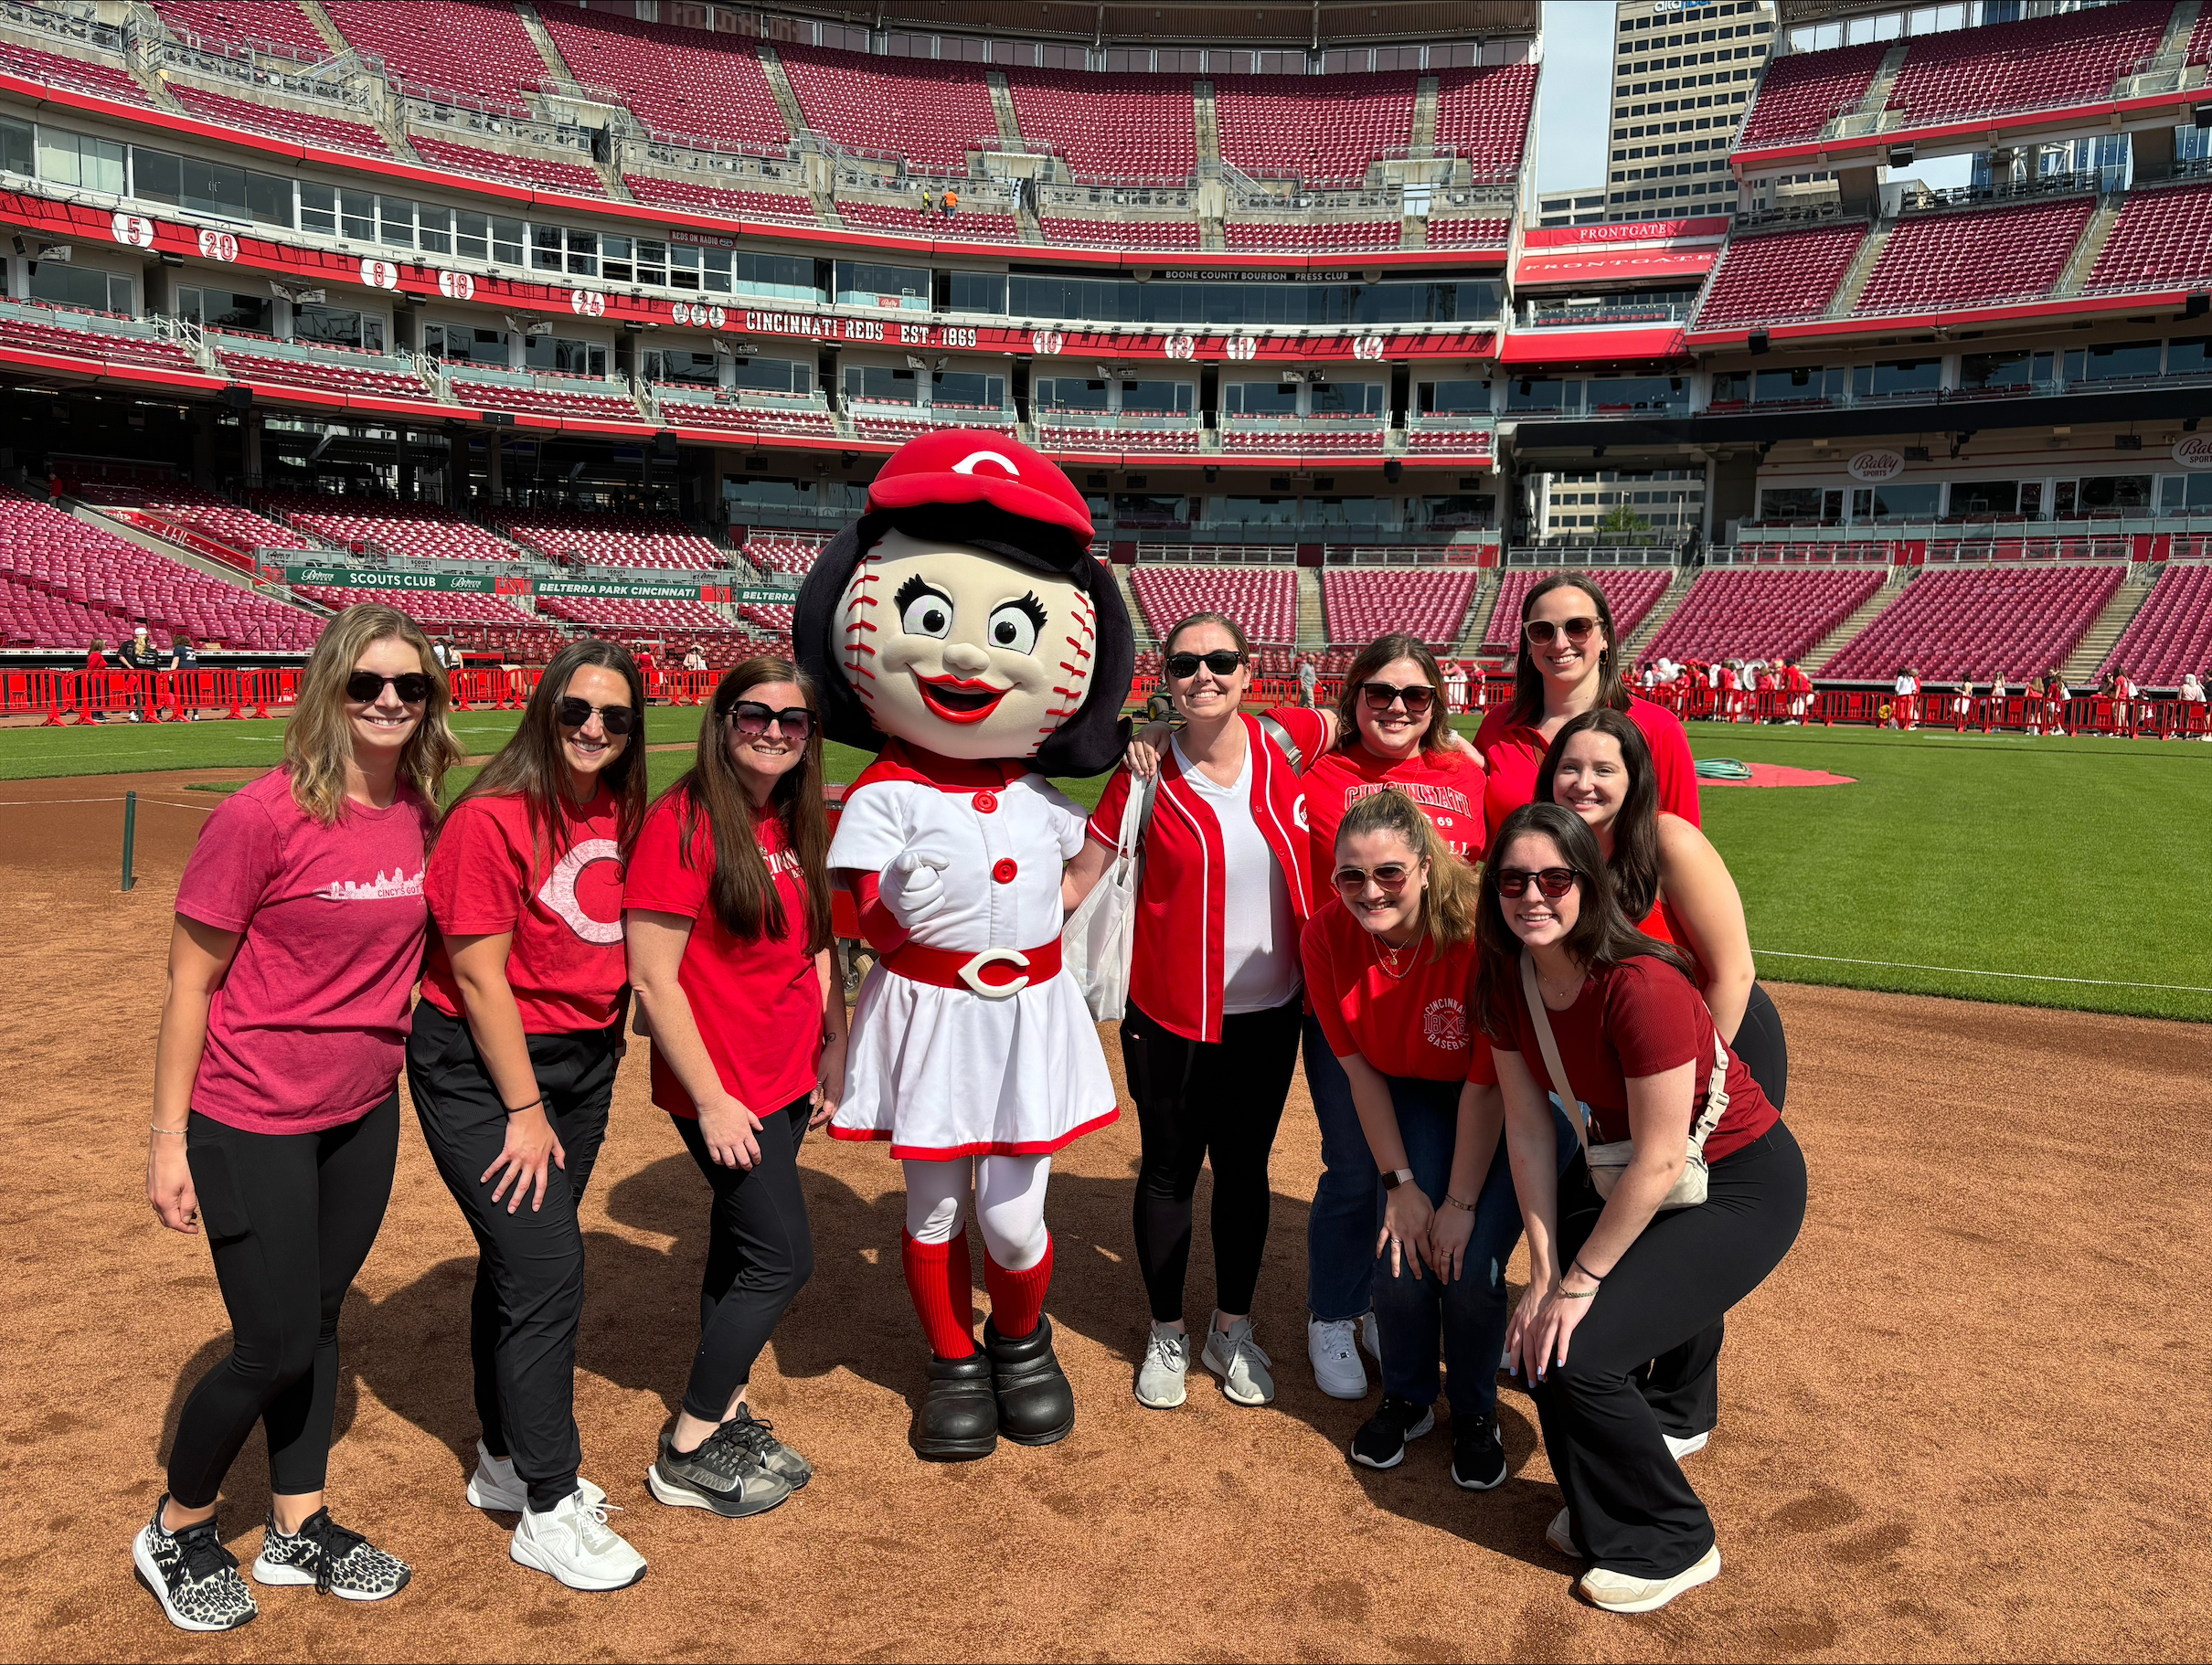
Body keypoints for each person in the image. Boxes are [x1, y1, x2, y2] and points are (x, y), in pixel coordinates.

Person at [792, 429, 1136, 1462]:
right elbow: (854, 908)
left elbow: (1073, 884)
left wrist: (1119, 801)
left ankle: (1020, 1339)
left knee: (1016, 1217)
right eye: (930, 619)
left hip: (1028, 1011)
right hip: (931, 1013)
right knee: (936, 1202)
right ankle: (951, 1356)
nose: (963, 657)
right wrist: (903, 947)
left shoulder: (1038, 797)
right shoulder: (889, 790)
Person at [136, 604, 462, 1631]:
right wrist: (167, 1139)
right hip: (249, 1115)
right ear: (328, 687)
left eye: (410, 687)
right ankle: (178, 1527)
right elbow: (190, 984)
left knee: (319, 1323)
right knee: (270, 1341)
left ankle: (296, 1526)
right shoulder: (261, 815)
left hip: (361, 1111)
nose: (388, 703)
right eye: (366, 683)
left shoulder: (422, 811)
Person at [1479, 801, 1805, 1615]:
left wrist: (1580, 1281)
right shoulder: (1506, 979)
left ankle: (1672, 1540)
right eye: (1514, 879)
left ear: (1588, 886)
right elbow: (1524, 1129)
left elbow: (1663, 1158)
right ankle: (1606, 1512)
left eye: (1555, 878)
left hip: (1736, 1185)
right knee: (1538, 1343)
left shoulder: (1640, 984)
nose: (1533, 895)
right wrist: (1544, 1271)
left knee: (1582, 1350)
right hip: (1641, 1177)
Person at [408, 640, 650, 1591]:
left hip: (584, 1059)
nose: (593, 729)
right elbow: (474, 971)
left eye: (614, 717)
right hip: (484, 1065)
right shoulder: (490, 815)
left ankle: (504, 1461)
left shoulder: (620, 808)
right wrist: (520, 1106)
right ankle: (548, 1504)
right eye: (576, 711)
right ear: (544, 711)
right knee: (550, 1269)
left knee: (521, 1258)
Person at [1068, 612, 1327, 1412]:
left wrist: (1457, 748)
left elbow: (1362, 719)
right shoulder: (1142, 772)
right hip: (1171, 1014)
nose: (1204, 676)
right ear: (1166, 677)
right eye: (1186, 665)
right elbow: (1080, 879)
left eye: (1222, 661)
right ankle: (1167, 1330)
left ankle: (1232, 1327)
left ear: (1250, 672)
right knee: (1171, 1170)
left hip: (1270, 1014)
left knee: (1246, 1172)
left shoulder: (1287, 750)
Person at [1303, 789, 1575, 1480]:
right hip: (1413, 1095)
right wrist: (1399, 1188)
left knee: (1471, 1268)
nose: (1370, 892)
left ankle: (1475, 1407)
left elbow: (1488, 1085)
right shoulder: (1326, 935)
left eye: (1390, 872)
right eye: (1352, 877)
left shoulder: (1478, 931)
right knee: (1401, 1256)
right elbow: (1361, 1074)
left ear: (1425, 867)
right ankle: (1409, 1396)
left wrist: (1455, 1205)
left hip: (1510, 1103)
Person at [626, 657, 845, 1519]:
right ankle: (686, 1448)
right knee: (783, 1258)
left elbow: (817, 938)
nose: (776, 732)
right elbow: (652, 977)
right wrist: (713, 1099)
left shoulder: (791, 817)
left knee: (738, 1244)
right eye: (757, 714)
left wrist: (836, 1040)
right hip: (727, 1086)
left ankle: (728, 1408)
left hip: (787, 1071)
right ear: (724, 721)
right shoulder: (685, 822)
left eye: (794, 722)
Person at [1293, 632, 1484, 1397]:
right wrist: (1153, 736)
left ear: (1436, 703)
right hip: (1349, 996)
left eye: (1414, 695)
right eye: (1379, 693)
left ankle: (1387, 1302)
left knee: (1416, 1171)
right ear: (1355, 699)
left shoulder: (1466, 774)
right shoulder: (1320, 772)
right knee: (1352, 1167)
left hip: (1443, 1006)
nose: (1396, 708)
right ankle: (1332, 1314)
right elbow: (1230, 744)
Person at [1540, 707, 1785, 1108]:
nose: (1583, 784)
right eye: (1570, 767)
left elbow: (1734, 973)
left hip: (1721, 1037)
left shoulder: (1668, 841)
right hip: (1632, 1050)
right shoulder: (1546, 854)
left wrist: (1686, 1079)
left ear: (1633, 781)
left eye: (1604, 770)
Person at [1475, 572, 1699, 835]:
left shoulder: (1658, 729)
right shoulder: (1498, 727)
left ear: (1605, 637)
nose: (1560, 643)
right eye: (1542, 630)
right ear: (1528, 644)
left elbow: (1684, 845)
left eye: (1578, 627)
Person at [168, 632, 201, 720]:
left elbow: (175, 661)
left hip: (183, 672)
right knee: (193, 693)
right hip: (194, 671)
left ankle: (184, 714)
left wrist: (171, 673)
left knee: (182, 692)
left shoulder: (178, 648)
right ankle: (196, 714)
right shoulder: (190, 648)